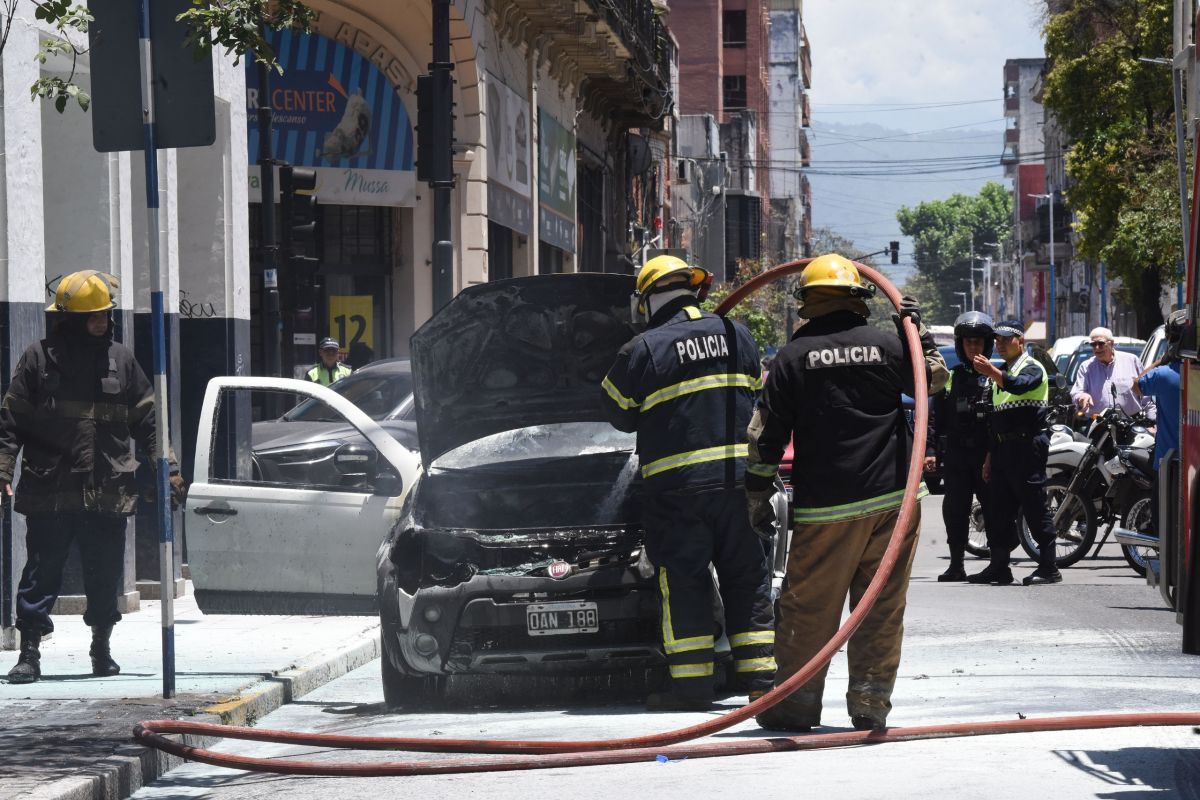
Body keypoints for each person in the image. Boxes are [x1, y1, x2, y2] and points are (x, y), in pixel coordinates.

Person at [744, 253, 948, 732]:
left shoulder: (792, 358)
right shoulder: (887, 345)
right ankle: (870, 703)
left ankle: (794, 706)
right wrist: (918, 335)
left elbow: (765, 435)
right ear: (859, 297)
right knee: (881, 606)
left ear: (807, 302)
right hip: (894, 502)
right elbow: (935, 379)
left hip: (827, 505)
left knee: (809, 609)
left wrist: (755, 494)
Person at [600, 254, 776, 711]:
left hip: (677, 494)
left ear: (645, 301)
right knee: (747, 578)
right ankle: (761, 683)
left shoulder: (642, 349)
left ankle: (692, 690)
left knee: (684, 583)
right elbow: (754, 390)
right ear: (695, 289)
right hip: (739, 486)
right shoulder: (737, 334)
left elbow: (618, 414)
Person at [1, 271, 183, 684]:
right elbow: (11, 421)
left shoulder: (121, 360)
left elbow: (150, 422)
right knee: (40, 575)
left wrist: (167, 469)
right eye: (93, 316)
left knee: (104, 577)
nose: (102, 321)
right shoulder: (38, 359)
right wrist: (3, 470)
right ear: (70, 319)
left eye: (105, 314)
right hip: (51, 489)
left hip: (107, 491)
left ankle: (101, 647)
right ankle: (29, 653)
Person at [968, 320, 1061, 587]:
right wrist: (989, 458)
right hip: (1002, 449)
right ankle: (999, 567)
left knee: (1034, 506)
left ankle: (1049, 567)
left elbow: (1019, 386)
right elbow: (996, 420)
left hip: (1026, 447)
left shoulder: (1032, 367)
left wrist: (991, 371)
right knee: (997, 509)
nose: (1000, 344)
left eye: (1006, 339)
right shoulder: (1001, 373)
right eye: (997, 340)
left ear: (1021, 341)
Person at [930, 311, 996, 582]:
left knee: (994, 509)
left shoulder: (995, 377)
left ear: (987, 344)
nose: (973, 347)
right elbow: (934, 419)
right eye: (968, 342)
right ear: (960, 344)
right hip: (957, 457)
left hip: (987, 457)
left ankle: (998, 564)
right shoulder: (950, 378)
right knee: (955, 511)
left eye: (978, 342)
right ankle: (956, 565)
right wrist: (930, 452)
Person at [1134, 310, 1186, 534]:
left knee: (1160, 523)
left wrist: (1162, 359)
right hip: (1190, 459)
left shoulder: (1164, 374)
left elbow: (1136, 385)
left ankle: (1155, 528)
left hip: (1169, 460)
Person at [1071, 327, 1152, 417]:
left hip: (1131, 420)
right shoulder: (1086, 367)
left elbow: (1146, 393)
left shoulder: (1131, 361)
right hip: (1098, 422)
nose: (1097, 348)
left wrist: (1151, 419)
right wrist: (1082, 396)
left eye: (1101, 344)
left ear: (1112, 343)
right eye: (1093, 345)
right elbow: (1076, 392)